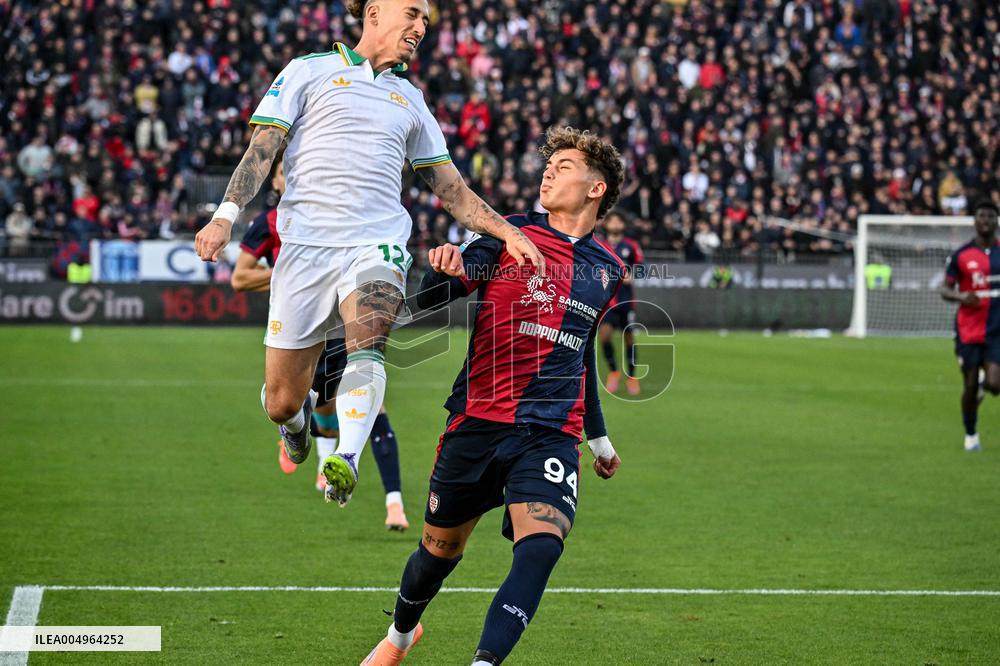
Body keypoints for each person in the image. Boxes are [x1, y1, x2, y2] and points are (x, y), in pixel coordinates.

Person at [195, 0, 544, 508]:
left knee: (370, 335)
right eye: (412, 13)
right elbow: (263, 148)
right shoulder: (308, 70)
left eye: (425, 19)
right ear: (374, 12)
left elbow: (451, 188)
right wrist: (225, 215)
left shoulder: (410, 98)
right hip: (306, 250)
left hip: (376, 242)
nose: (421, 26)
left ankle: (348, 458)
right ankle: (297, 429)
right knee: (281, 401)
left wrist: (505, 231)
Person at [362, 127, 624, 665]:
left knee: (543, 545)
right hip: (477, 422)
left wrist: (598, 442)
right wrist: (442, 270)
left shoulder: (608, 271)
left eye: (566, 165)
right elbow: (431, 300)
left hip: (550, 433)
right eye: (549, 163)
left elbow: (579, 358)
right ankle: (401, 635)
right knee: (438, 554)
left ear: (596, 188)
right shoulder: (507, 234)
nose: (549, 170)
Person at [231, 154, 408, 529]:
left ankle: (393, 502)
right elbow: (239, 279)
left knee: (372, 409)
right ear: (278, 183)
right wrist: (288, 273)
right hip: (305, 331)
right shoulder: (269, 225)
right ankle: (306, 440)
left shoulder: (340, 219)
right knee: (301, 407)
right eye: (283, 173)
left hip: (345, 326)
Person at [941, 199, 1000, 452]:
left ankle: (985, 383)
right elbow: (945, 288)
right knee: (968, 384)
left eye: (990, 216)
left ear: (996, 221)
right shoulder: (962, 255)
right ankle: (971, 434)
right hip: (968, 329)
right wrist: (961, 296)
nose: (985, 221)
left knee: (996, 384)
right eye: (981, 216)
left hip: (997, 329)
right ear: (974, 221)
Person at [597, 209, 644, 395]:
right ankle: (614, 372)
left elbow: (641, 267)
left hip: (625, 300)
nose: (615, 224)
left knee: (629, 339)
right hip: (607, 302)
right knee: (605, 337)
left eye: (618, 221)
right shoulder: (599, 245)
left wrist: (632, 274)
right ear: (606, 224)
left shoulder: (630, 245)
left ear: (623, 225)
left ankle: (632, 377)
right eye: (612, 221)